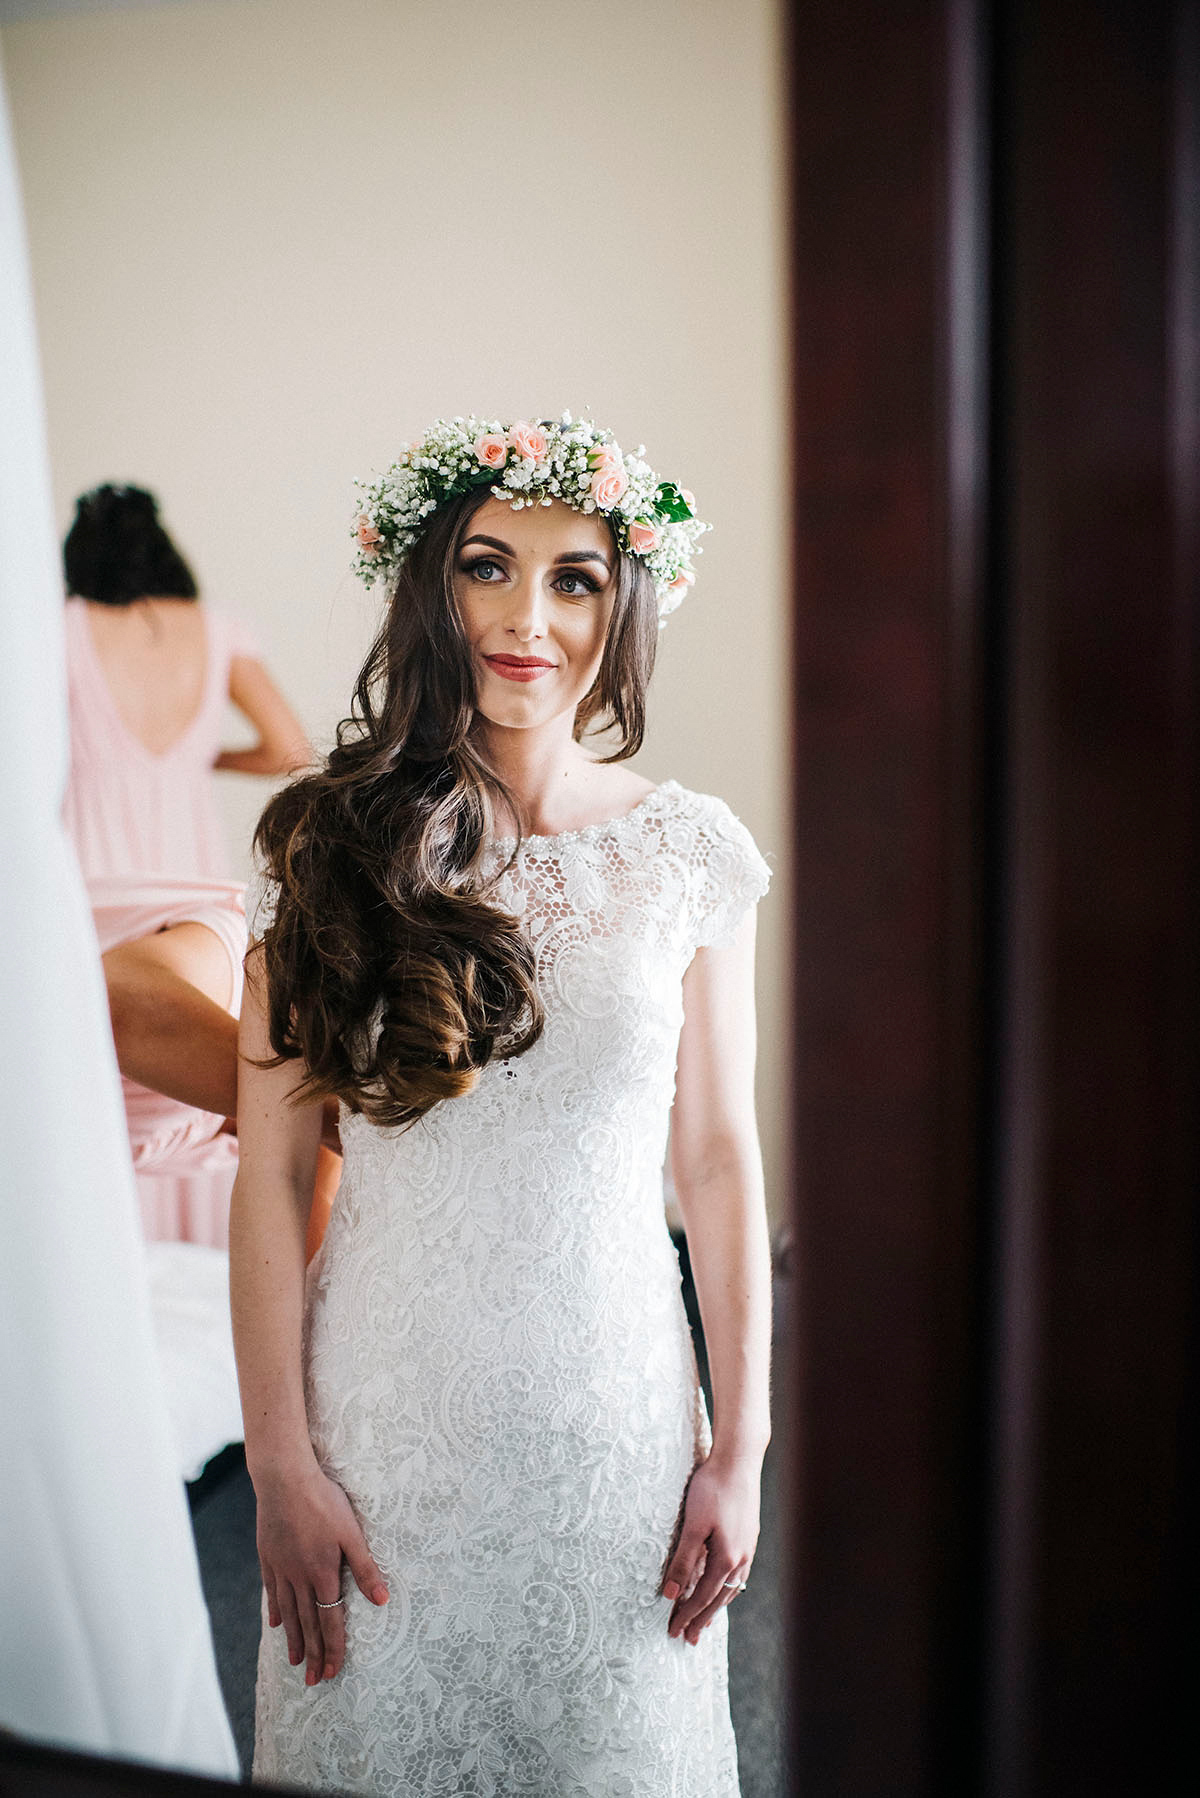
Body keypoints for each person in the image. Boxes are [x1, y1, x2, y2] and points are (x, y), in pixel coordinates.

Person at [232, 414, 773, 1795]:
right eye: (487, 566)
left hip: (618, 1439)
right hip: (382, 1438)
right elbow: (271, 1173)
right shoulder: (330, 840)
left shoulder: (689, 850)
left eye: (575, 577)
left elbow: (716, 1161)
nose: (527, 617)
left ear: (625, 601)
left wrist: (743, 1445)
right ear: (431, 588)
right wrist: (281, 1468)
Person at [62, 482, 315, 1246]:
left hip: (93, 866)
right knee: (198, 1043)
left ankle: (105, 1257)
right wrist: (198, 757)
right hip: (186, 861)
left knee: (96, 1060)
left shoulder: (61, 628)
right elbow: (289, 748)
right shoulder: (215, 630)